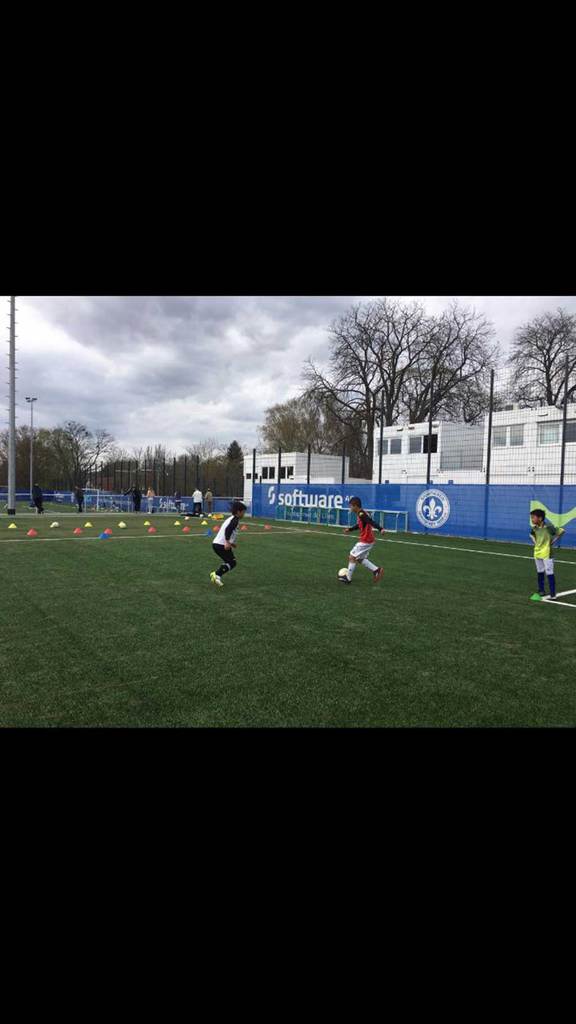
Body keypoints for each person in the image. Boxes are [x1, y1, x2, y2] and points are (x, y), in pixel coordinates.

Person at [339, 496, 385, 585]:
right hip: (368, 540)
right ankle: (377, 570)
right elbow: (359, 525)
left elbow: (370, 521)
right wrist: (350, 529)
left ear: (355, 506)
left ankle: (348, 578)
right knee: (360, 559)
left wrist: (380, 529)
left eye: (351, 506)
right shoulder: (361, 514)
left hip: (365, 540)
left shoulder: (361, 514)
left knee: (352, 557)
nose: (350, 508)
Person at [530, 508, 565, 600]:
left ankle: (553, 594)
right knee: (540, 572)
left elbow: (561, 531)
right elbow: (531, 534)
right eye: (531, 517)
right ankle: (541, 591)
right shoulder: (534, 528)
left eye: (533, 517)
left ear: (540, 518)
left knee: (549, 572)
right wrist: (535, 542)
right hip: (537, 552)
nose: (532, 519)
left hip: (547, 553)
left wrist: (553, 541)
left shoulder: (548, 526)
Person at [210, 500, 247, 587]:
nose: (244, 514)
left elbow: (228, 531)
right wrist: (227, 542)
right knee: (232, 562)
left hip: (217, 544)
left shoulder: (232, 519)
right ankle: (216, 575)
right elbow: (228, 530)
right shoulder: (235, 520)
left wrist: (231, 543)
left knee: (229, 562)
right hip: (221, 545)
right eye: (243, 512)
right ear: (238, 512)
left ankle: (216, 575)